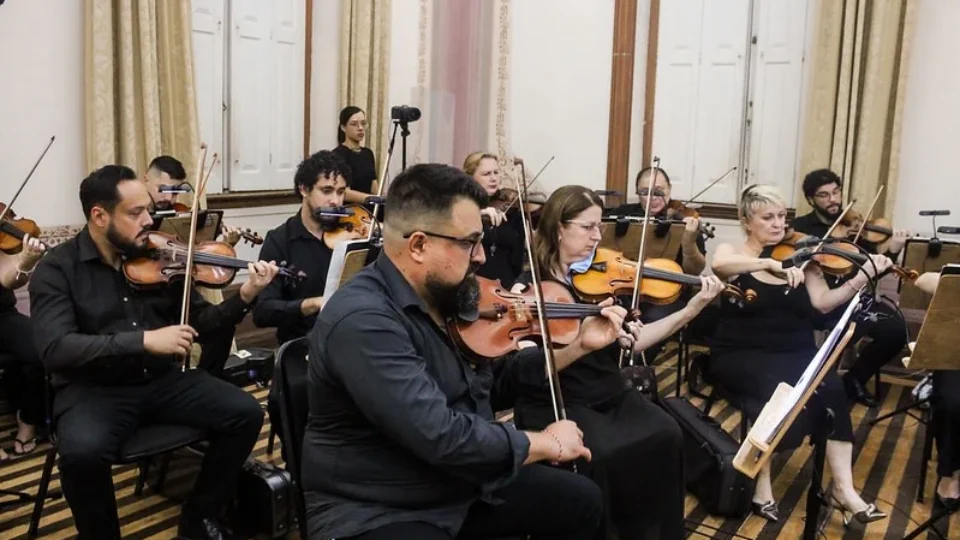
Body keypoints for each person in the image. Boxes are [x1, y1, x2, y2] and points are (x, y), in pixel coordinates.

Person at [303, 163, 638, 540]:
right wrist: (545, 442)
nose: (480, 256)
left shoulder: (447, 298)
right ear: (418, 245)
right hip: (379, 506)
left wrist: (577, 346)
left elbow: (493, 385)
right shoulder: (363, 320)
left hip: (457, 484)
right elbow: (440, 435)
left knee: (581, 499)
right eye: (468, 242)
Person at [28, 165, 279, 540]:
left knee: (245, 414)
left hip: (160, 381)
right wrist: (144, 340)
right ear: (99, 216)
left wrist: (244, 296)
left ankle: (199, 517)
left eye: (148, 210)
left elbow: (203, 322)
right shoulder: (56, 269)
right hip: (94, 391)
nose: (149, 220)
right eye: (135, 213)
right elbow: (55, 348)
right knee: (81, 455)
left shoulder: (160, 257)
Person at [511, 185, 723, 540]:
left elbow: (637, 339)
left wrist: (692, 308)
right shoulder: (527, 292)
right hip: (558, 399)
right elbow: (527, 370)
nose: (598, 236)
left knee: (667, 432)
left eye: (599, 226)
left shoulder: (599, 283)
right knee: (604, 453)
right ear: (559, 228)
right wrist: (580, 344)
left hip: (609, 392)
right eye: (587, 227)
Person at [709, 184, 890, 525]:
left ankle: (843, 489)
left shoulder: (803, 256)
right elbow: (720, 264)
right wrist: (769, 264)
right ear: (747, 221)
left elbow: (822, 302)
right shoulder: (733, 251)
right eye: (768, 217)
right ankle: (761, 479)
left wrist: (860, 278)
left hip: (793, 350)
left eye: (782, 217)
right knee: (771, 389)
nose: (778, 225)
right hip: (740, 352)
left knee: (833, 389)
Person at [791, 169, 910, 407]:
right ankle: (820, 384)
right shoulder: (801, 228)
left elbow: (877, 266)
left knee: (895, 331)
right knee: (844, 327)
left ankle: (854, 379)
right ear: (811, 200)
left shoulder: (857, 226)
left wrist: (894, 249)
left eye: (836, 192)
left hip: (853, 299)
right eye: (824, 195)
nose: (833, 199)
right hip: (816, 302)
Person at [142, 155, 243, 375]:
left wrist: (224, 246)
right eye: (163, 189)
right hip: (146, 298)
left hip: (179, 293)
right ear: (145, 180)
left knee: (222, 327)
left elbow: (195, 258)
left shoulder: (181, 215)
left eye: (176, 191)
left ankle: (206, 380)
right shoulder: (134, 217)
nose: (169, 198)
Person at [605, 166, 711, 362]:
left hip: (667, 295)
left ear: (669, 190)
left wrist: (688, 242)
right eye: (645, 192)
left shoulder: (684, 220)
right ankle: (608, 363)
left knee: (652, 318)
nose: (653, 197)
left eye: (659, 191)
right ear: (637, 193)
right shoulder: (624, 214)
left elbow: (694, 270)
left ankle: (636, 367)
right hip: (624, 288)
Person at [253, 150, 351, 344]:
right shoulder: (280, 240)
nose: (336, 201)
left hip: (350, 339)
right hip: (302, 344)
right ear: (304, 189)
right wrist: (311, 304)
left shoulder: (352, 235)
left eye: (340, 192)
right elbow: (263, 311)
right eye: (326, 191)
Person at [0, 233, 45, 460]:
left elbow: (8, 279)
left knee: (43, 350)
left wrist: (25, 264)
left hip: (3, 316)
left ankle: (27, 420)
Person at [462, 151, 524, 288]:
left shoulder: (511, 210)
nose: (494, 178)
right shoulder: (460, 207)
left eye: (496, 172)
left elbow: (518, 259)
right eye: (486, 174)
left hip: (508, 288)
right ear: (470, 177)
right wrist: (477, 213)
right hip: (472, 286)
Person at [333, 106, 378, 204]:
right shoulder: (338, 155)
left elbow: (374, 187)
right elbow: (344, 192)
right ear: (343, 127)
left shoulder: (368, 153)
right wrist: (371, 199)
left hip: (371, 207)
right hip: (351, 210)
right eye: (354, 124)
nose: (360, 128)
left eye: (363, 124)